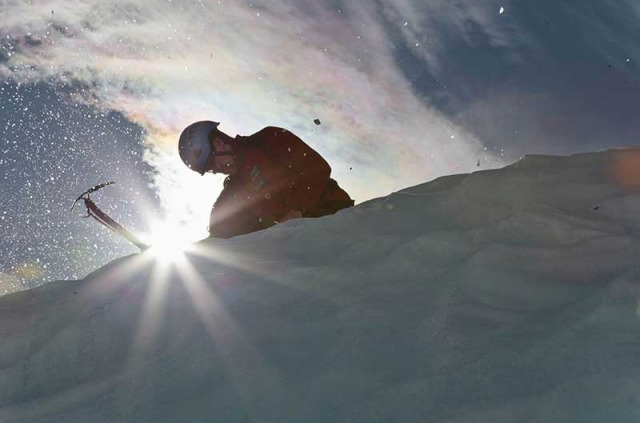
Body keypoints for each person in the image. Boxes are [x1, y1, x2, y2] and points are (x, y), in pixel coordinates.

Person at [178, 121, 354, 238]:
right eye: (209, 171)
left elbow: (317, 168)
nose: (215, 172)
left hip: (334, 218)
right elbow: (220, 227)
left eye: (211, 165)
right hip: (301, 242)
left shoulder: (268, 140)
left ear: (219, 144)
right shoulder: (234, 188)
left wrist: (298, 210)